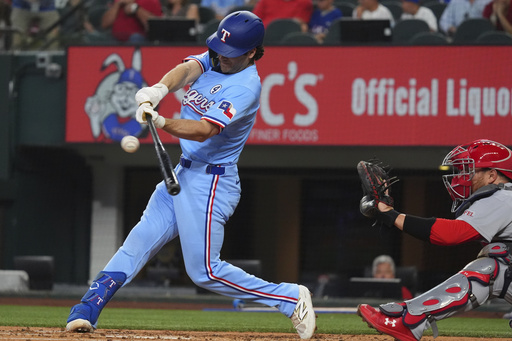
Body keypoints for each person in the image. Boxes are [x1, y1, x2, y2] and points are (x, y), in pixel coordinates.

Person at [65, 11, 317, 340]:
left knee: (205, 272)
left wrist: (162, 122)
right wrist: (158, 89)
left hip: (212, 183)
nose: (221, 59)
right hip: (184, 172)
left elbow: (203, 130)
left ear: (253, 52)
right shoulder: (218, 56)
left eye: (232, 55)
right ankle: (87, 307)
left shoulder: (246, 86)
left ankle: (289, 297)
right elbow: (187, 70)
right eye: (219, 51)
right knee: (138, 241)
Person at [357, 139, 512, 341]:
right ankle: (409, 319)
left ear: (492, 175)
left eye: (470, 170)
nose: (461, 177)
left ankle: (409, 320)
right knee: (500, 258)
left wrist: (390, 214)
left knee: (492, 266)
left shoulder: (503, 197)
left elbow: (451, 234)